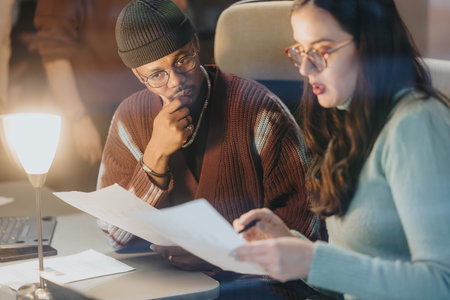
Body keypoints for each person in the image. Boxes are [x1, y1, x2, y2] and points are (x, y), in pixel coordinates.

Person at [231, 0, 450, 299]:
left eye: (321, 50)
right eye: (300, 51)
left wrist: (313, 260)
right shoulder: (348, 119)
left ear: (370, 46)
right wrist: (295, 249)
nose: (306, 68)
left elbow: (442, 283)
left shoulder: (416, 123)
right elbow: (355, 274)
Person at [97, 0, 319, 273]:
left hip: (248, 287)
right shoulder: (128, 119)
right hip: (164, 286)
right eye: (157, 75)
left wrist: (227, 254)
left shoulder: (260, 111)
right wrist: (154, 156)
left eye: (183, 60)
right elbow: (115, 236)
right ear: (138, 75)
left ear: (195, 44)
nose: (176, 81)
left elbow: (308, 229)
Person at [33, 0, 143, 191]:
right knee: (88, 193)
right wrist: (79, 120)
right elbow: (54, 56)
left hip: (138, 105)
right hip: (92, 112)